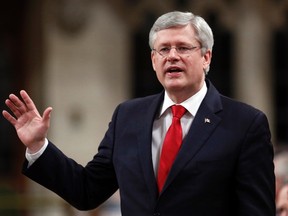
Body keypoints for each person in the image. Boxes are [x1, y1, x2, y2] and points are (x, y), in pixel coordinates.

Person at [2, 11, 275, 215]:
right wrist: (38, 146)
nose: (172, 56)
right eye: (163, 49)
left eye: (183, 47)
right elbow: (86, 191)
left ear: (206, 57)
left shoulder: (245, 123)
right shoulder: (128, 116)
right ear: (153, 60)